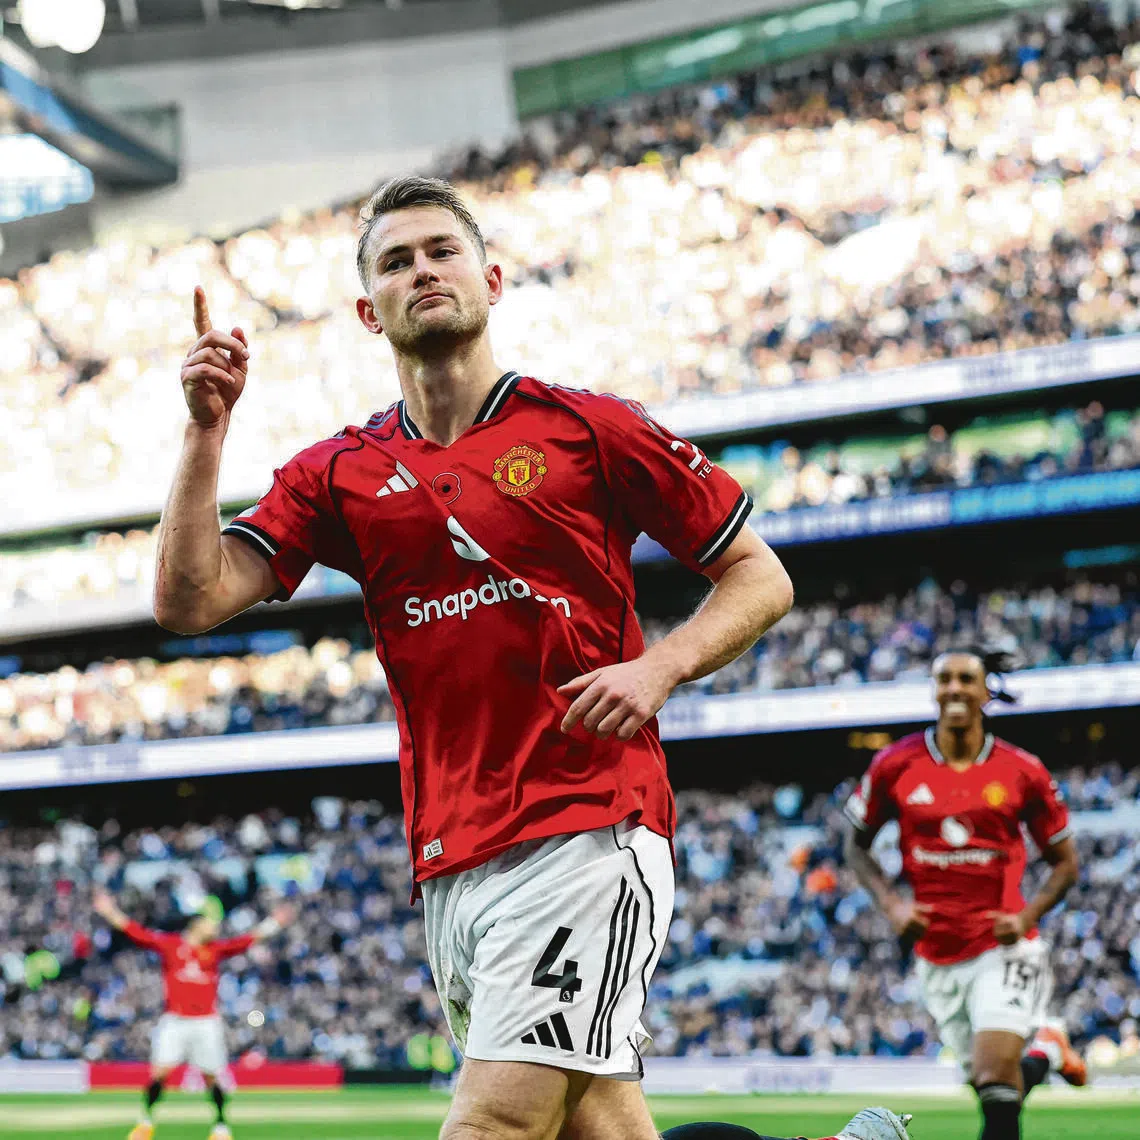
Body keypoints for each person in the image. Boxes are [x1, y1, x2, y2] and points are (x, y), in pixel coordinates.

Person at [156, 174, 910, 1140]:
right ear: (366, 309)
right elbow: (188, 599)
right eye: (396, 261)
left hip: (588, 826)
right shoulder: (339, 473)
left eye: (442, 251)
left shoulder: (589, 428)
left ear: (494, 279)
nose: (422, 270)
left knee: (492, 1127)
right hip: (451, 859)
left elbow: (761, 575)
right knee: (592, 1127)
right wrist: (205, 430)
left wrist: (658, 667)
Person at [844, 649, 1086, 1140]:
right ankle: (1047, 1052)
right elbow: (855, 845)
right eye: (945, 679)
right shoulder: (895, 764)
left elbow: (1066, 864)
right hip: (936, 954)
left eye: (966, 679)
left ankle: (1041, 1051)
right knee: (991, 1084)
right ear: (935, 689)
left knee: (997, 1086)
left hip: (1005, 944)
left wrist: (1027, 916)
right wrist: (891, 903)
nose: (955, 688)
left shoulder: (1022, 771)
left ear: (985, 690)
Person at [93, 888, 294, 1140]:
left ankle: (220, 1126)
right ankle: (145, 1122)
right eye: (210, 923)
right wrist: (110, 911)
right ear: (196, 925)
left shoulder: (216, 950)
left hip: (206, 1022)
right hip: (175, 1020)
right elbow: (137, 933)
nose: (215, 929)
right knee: (159, 1073)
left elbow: (247, 941)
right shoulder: (171, 945)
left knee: (212, 1076)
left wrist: (274, 923)